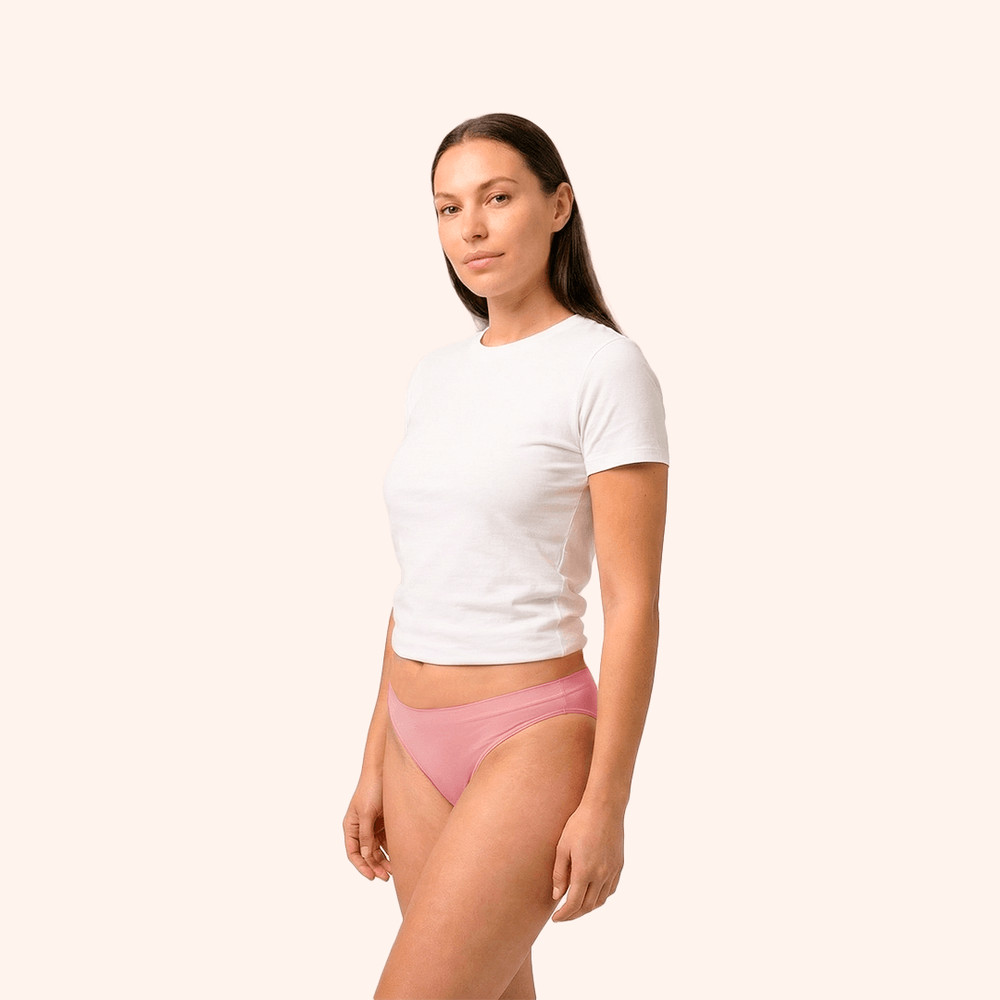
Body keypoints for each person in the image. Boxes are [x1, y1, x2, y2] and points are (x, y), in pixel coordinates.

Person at [343, 112, 670, 1000]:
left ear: (558, 206)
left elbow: (633, 603)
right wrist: (374, 757)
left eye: (498, 198)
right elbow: (421, 580)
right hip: (413, 739)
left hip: (528, 735)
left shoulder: (606, 369)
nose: (472, 229)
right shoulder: (435, 375)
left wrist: (608, 802)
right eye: (449, 208)